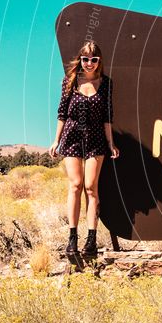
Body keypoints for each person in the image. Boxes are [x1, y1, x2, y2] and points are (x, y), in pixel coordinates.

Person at [49, 41, 119, 255]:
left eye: (94, 60)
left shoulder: (106, 83)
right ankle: (72, 238)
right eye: (86, 59)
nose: (89, 64)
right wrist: (56, 140)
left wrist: (110, 143)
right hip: (71, 137)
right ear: (80, 59)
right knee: (76, 185)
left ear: (99, 62)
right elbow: (62, 113)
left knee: (91, 187)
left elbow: (107, 116)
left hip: (96, 138)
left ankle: (91, 239)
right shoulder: (70, 81)